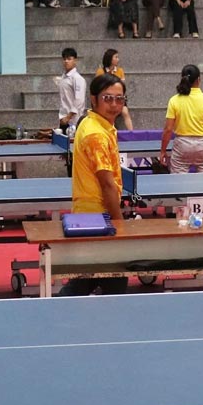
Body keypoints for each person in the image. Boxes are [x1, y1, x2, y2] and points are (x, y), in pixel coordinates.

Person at [59, 73, 127, 297]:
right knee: (113, 279)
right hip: (98, 218)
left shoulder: (94, 123)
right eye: (108, 98)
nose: (114, 105)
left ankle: (53, 312)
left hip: (90, 215)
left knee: (89, 279)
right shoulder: (95, 134)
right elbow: (107, 185)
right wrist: (119, 225)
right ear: (94, 99)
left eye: (120, 99)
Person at [160, 64, 203, 174]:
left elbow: (168, 129)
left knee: (178, 185)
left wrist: (163, 151)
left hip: (182, 146)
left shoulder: (174, 100)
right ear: (199, 80)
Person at [95, 49, 133, 129]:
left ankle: (131, 133)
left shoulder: (120, 71)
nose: (117, 59)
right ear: (110, 59)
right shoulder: (100, 71)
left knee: (125, 112)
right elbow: (98, 86)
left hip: (118, 97)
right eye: (115, 57)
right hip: (105, 98)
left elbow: (122, 85)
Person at [58, 47, 87, 134]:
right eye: (64, 59)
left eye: (69, 59)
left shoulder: (77, 78)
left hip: (74, 121)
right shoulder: (63, 77)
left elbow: (79, 100)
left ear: (75, 60)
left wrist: (68, 117)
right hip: (63, 118)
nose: (66, 61)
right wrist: (63, 117)